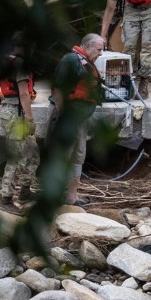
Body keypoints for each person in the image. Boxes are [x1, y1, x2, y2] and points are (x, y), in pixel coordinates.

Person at [49, 33, 105, 206]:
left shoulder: (87, 63)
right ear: (87, 47)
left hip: (81, 119)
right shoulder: (71, 61)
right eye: (99, 49)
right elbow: (58, 89)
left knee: (78, 156)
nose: (101, 53)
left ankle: (71, 196)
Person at [0, 32, 40, 209]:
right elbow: (23, 93)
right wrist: (30, 120)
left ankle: (25, 190)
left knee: (32, 151)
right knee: (15, 156)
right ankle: (6, 198)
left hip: (14, 111)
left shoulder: (9, 61)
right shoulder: (19, 63)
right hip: (15, 112)